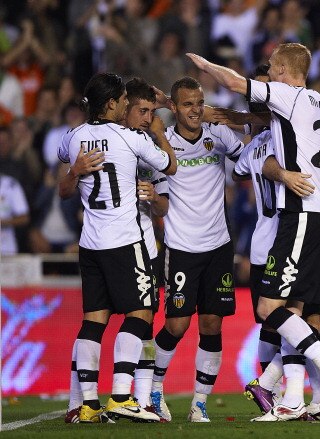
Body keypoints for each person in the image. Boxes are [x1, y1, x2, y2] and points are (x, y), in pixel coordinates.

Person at [187, 42, 320, 421]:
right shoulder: (314, 102)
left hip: (301, 213)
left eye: (274, 68)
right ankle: (292, 398)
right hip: (316, 211)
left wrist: (206, 63)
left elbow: (235, 85)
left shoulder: (287, 95)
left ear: (281, 68)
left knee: (268, 309)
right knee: (294, 311)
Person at [58, 72, 176, 423]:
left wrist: (74, 171)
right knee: (141, 313)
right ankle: (122, 396)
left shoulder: (74, 137)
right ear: (111, 104)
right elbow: (170, 165)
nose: (126, 103)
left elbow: (63, 181)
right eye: (123, 99)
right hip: (125, 240)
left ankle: (87, 404)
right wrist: (157, 133)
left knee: (93, 321)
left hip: (90, 244)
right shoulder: (130, 138)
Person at [148, 76, 244, 423]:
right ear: (173, 107)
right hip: (181, 246)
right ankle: (154, 391)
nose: (195, 110)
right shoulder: (163, 145)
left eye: (199, 103)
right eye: (187, 104)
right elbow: (162, 203)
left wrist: (231, 119)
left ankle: (199, 403)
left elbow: (247, 161)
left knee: (212, 324)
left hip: (218, 244)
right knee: (176, 324)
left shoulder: (217, 135)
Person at [123, 77, 170, 415]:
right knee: (97, 321)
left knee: (146, 321)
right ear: (124, 107)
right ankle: (83, 398)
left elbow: (164, 206)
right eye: (142, 110)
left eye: (151, 112)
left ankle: (142, 397)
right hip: (111, 244)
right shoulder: (110, 142)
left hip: (145, 246)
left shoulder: (151, 149)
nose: (146, 118)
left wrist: (154, 199)